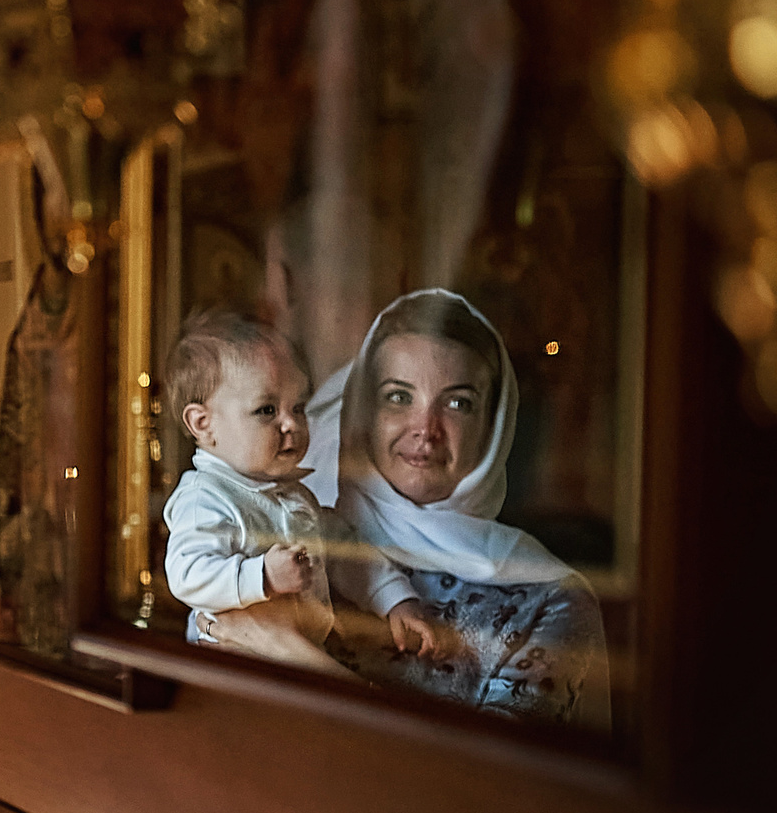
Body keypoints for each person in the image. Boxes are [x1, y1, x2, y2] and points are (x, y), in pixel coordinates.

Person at [312, 288, 610, 728]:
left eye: (457, 403)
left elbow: (482, 775)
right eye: (398, 396)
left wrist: (281, 649)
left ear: (493, 428)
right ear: (363, 413)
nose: (425, 429)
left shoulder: (552, 600)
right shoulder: (304, 534)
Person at [161, 308, 428, 674]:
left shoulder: (291, 495)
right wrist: (262, 578)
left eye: (299, 407)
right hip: (231, 665)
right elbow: (187, 574)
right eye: (266, 409)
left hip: (297, 661)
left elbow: (346, 554)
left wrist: (395, 600)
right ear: (203, 424)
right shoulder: (204, 499)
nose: (291, 424)